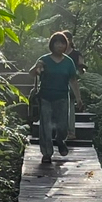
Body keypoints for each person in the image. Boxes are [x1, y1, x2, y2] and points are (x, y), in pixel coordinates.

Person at [31, 33, 83, 165]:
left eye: (62, 43)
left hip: (62, 98)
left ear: (66, 45)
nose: (59, 45)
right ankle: (47, 153)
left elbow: (73, 80)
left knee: (63, 126)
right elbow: (32, 73)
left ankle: (60, 140)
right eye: (56, 43)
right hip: (45, 97)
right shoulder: (44, 59)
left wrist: (78, 98)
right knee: (45, 127)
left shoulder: (68, 62)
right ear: (52, 44)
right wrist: (37, 66)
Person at [60, 31, 85, 143]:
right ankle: (61, 130)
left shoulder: (76, 54)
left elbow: (82, 67)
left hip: (71, 81)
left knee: (70, 106)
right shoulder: (58, 53)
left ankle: (71, 132)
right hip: (58, 81)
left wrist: (80, 69)